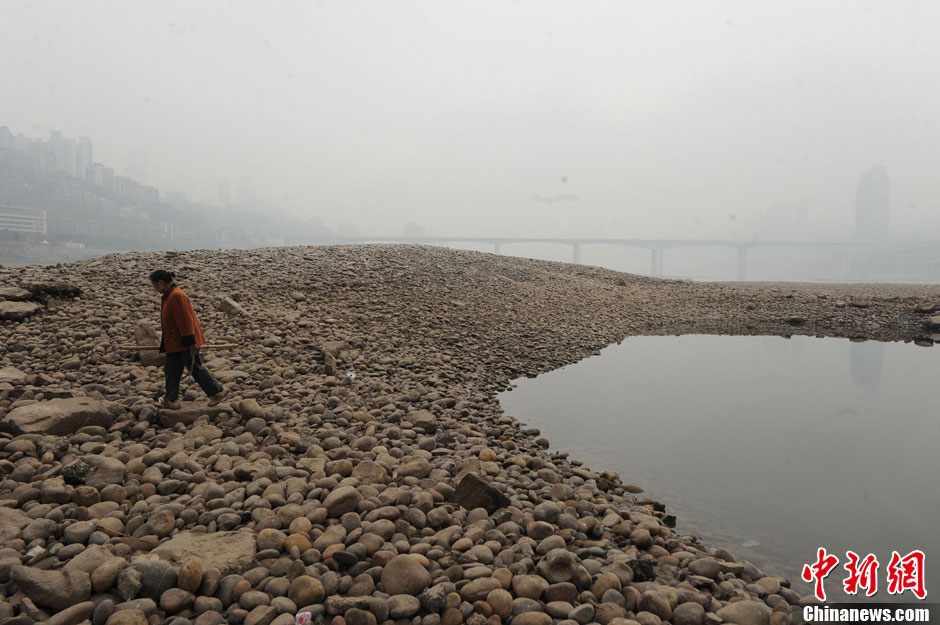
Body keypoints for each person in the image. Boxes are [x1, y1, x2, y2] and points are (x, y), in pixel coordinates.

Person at [149, 269, 228, 409]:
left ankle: (217, 392)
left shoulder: (176, 296)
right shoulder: (170, 295)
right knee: (171, 370)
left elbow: (185, 321)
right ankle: (171, 399)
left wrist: (190, 342)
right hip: (174, 343)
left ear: (160, 283)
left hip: (184, 343)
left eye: (154, 285)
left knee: (195, 369)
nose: (154, 289)